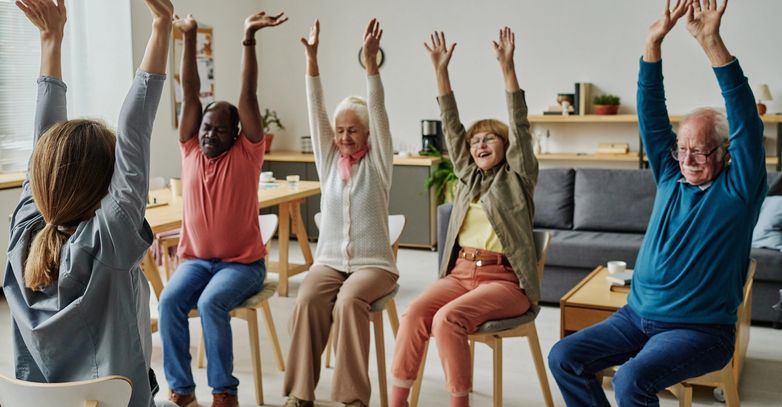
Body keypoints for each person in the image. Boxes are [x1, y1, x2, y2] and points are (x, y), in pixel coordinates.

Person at [547, 1, 768, 405]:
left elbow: (745, 122)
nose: (687, 160)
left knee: (631, 380)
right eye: (681, 149)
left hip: (699, 330)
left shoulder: (738, 189)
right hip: (634, 317)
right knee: (565, 356)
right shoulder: (670, 175)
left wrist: (711, 43)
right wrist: (653, 46)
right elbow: (651, 116)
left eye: (699, 151)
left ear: (726, 152)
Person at [2, 0, 173, 406]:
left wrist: (51, 40)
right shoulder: (107, 243)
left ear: (39, 180)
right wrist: (163, 25)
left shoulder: (24, 231)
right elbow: (136, 130)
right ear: (108, 185)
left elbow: (47, 140)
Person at [388, 27, 539, 407]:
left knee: (446, 321)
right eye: (475, 142)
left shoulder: (517, 178)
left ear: (505, 147)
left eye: (489, 139)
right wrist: (441, 72)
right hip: (459, 275)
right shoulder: (468, 179)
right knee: (414, 315)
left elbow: (520, 124)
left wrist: (508, 67)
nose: (479, 144)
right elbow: (452, 129)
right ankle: (397, 401)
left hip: (504, 282)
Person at [158, 11, 287, 407]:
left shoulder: (247, 154)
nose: (209, 133)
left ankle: (224, 392)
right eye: (205, 127)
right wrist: (190, 35)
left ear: (236, 133)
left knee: (213, 302)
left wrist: (247, 37)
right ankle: (181, 388)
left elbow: (248, 96)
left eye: (218, 128)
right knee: (168, 302)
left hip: (242, 265)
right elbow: (191, 93)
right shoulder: (191, 149)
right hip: (196, 260)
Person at [281, 19, 398, 407]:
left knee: (349, 302)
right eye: (340, 130)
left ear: (367, 135)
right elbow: (316, 112)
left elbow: (378, 110)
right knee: (307, 297)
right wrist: (311, 62)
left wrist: (371, 67)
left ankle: (352, 399)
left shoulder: (379, 164)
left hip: (374, 264)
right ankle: (300, 395)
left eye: (353, 130)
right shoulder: (329, 161)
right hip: (330, 261)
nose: (344, 136)